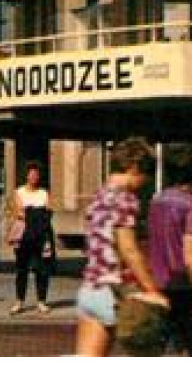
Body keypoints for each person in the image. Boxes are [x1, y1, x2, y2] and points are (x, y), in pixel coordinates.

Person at [75, 137, 167, 357]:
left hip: (91, 289)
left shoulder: (100, 195)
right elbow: (129, 250)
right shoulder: (125, 198)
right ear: (134, 168)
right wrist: (152, 291)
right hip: (116, 292)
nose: (145, 182)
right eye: (145, 174)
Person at [148, 143, 192, 357]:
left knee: (170, 344)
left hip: (159, 280)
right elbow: (190, 252)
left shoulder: (156, 201)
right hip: (183, 284)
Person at [8, 162, 56, 315]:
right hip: (24, 236)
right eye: (31, 173)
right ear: (27, 175)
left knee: (42, 269)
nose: (34, 176)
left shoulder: (44, 193)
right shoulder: (19, 192)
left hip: (42, 235)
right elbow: (18, 213)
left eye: (36, 174)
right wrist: (38, 212)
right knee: (21, 269)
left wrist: (31, 212)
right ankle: (19, 301)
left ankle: (41, 301)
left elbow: (49, 213)